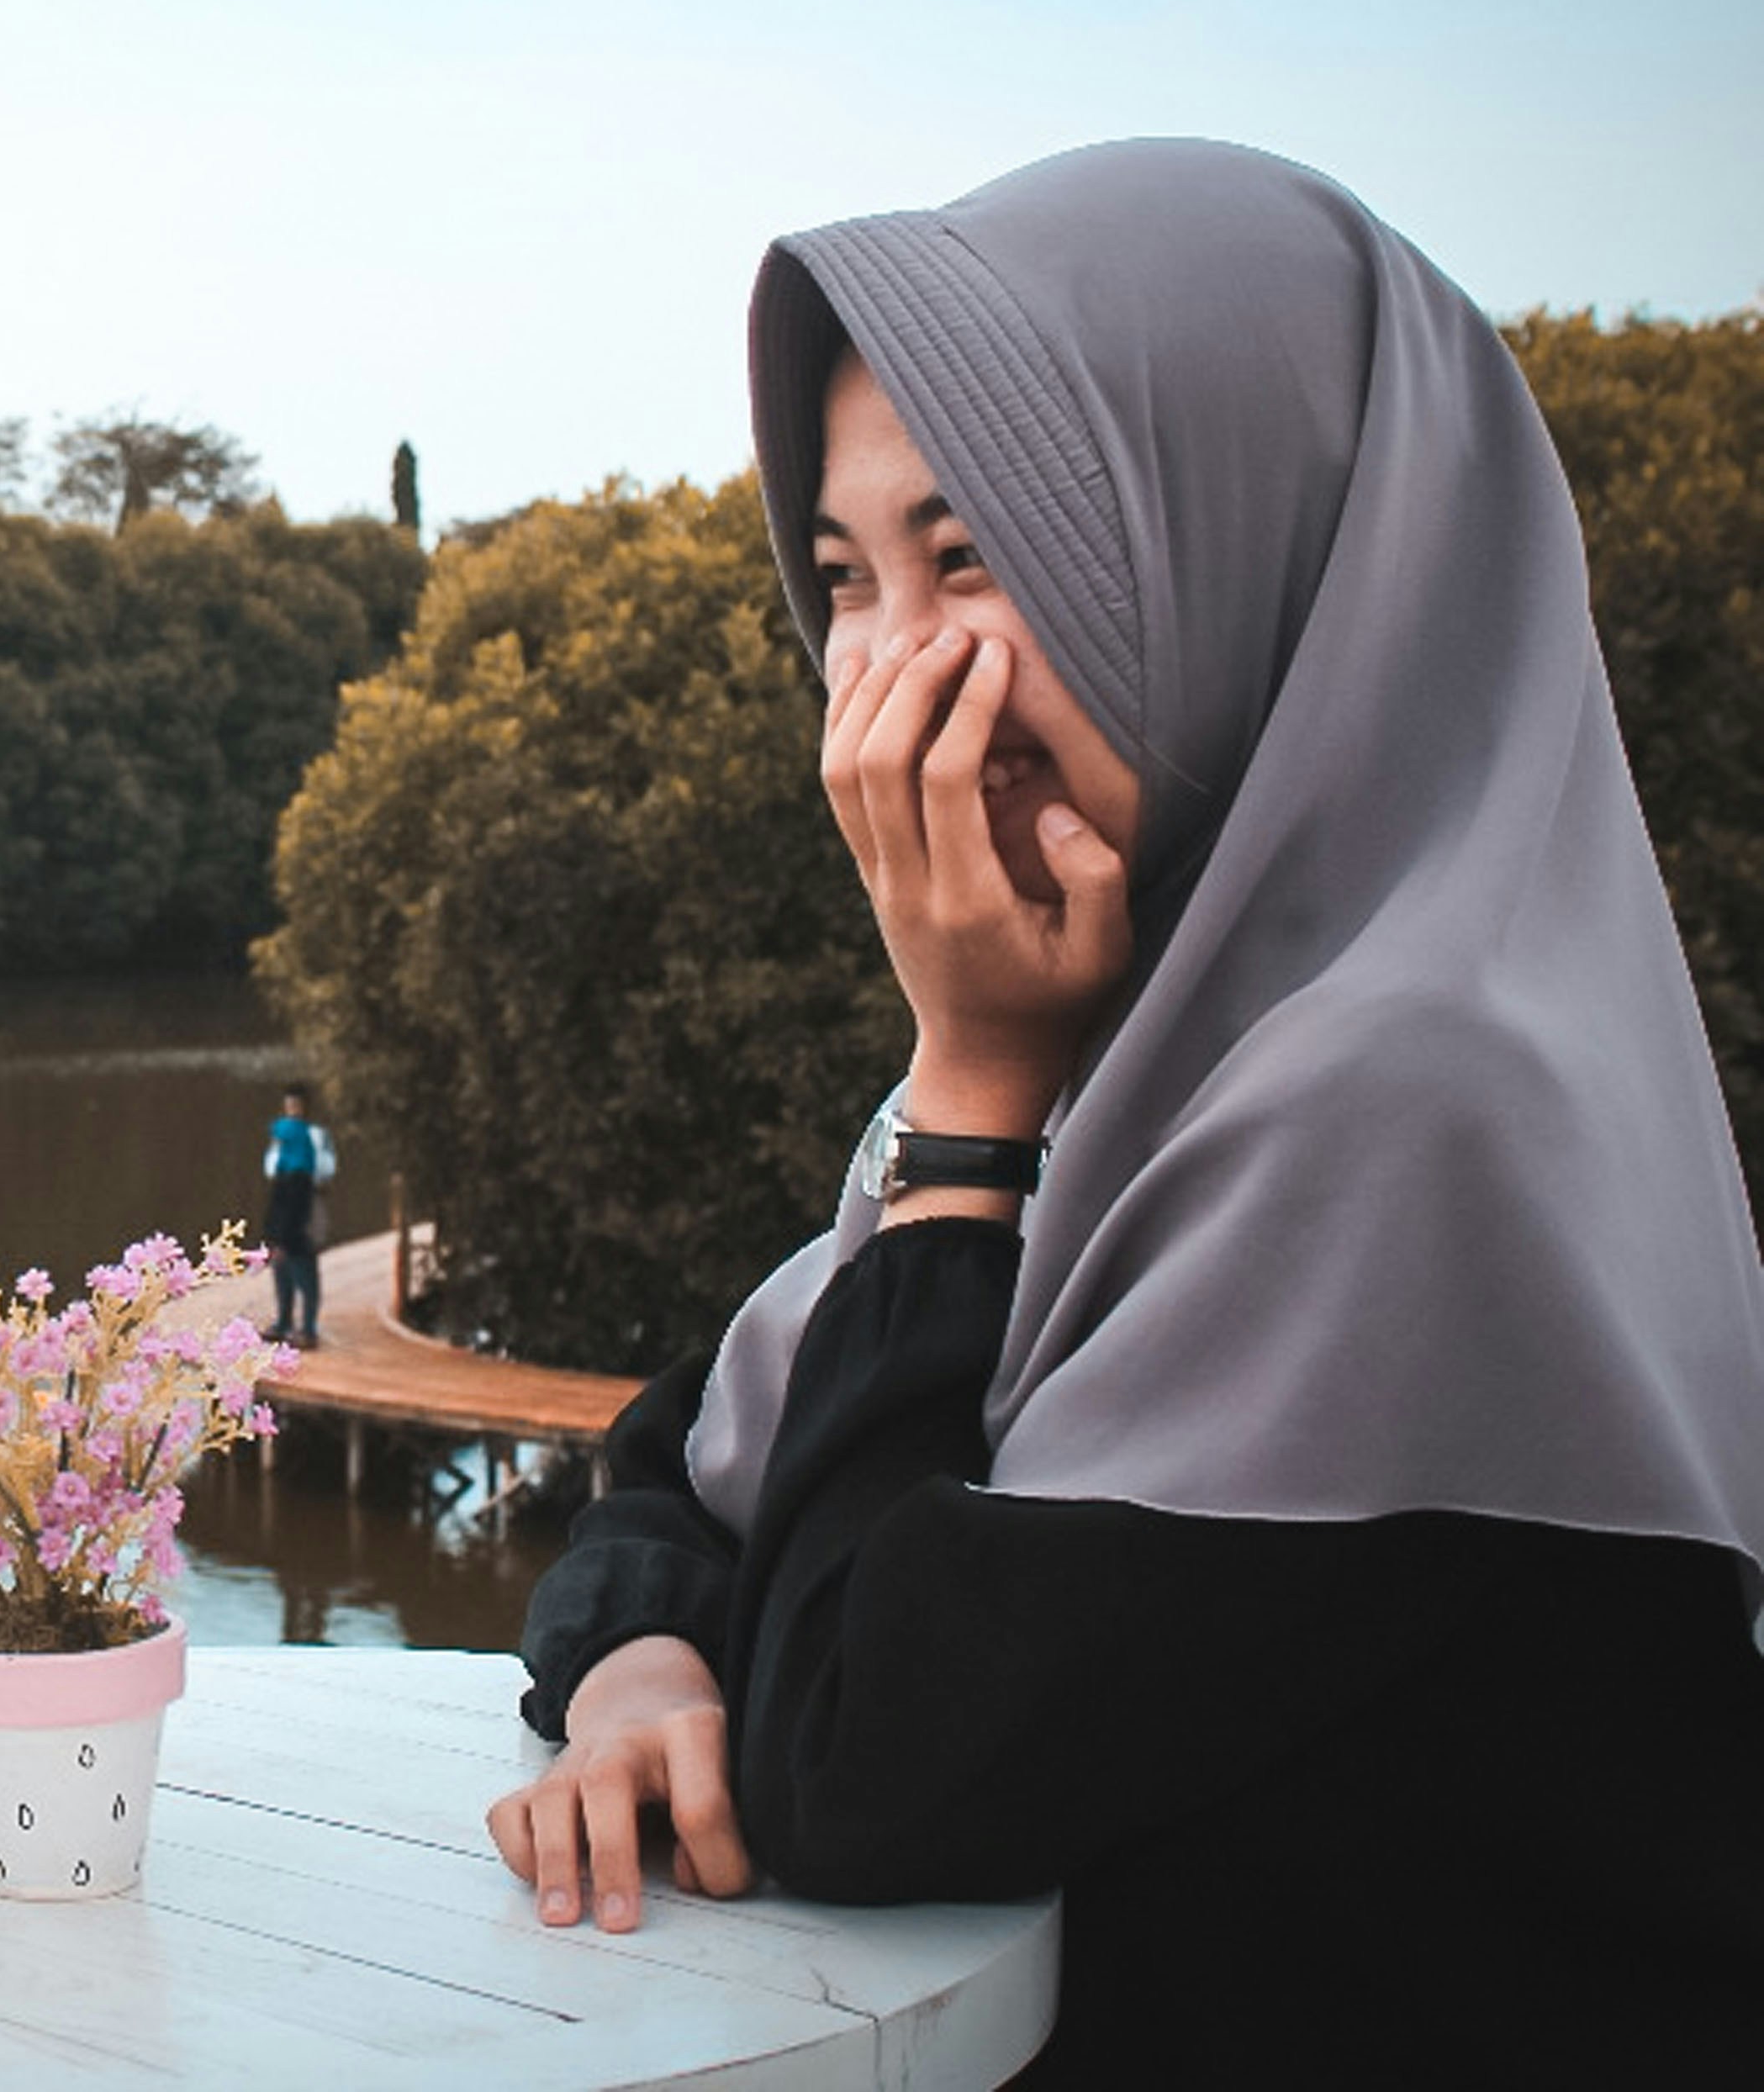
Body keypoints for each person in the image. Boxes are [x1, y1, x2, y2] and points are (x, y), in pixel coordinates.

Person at [484, 140, 1764, 2084]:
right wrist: (640, 1667)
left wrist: (964, 1094)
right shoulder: (1153, 1050)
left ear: (1254, 548)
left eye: (970, 556)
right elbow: (688, 1458)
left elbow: (861, 1761)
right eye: (843, 579)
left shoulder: (1414, 1104)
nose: (889, 681)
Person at [261, 1083, 337, 1345]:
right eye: (289, 1105)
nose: (292, 1109)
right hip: (283, 1193)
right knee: (281, 1262)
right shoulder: (282, 1133)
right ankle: (284, 1321)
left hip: (307, 1198)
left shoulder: (316, 1135)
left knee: (304, 1261)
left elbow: (326, 1170)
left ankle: (308, 1328)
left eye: (296, 1105)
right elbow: (270, 1167)